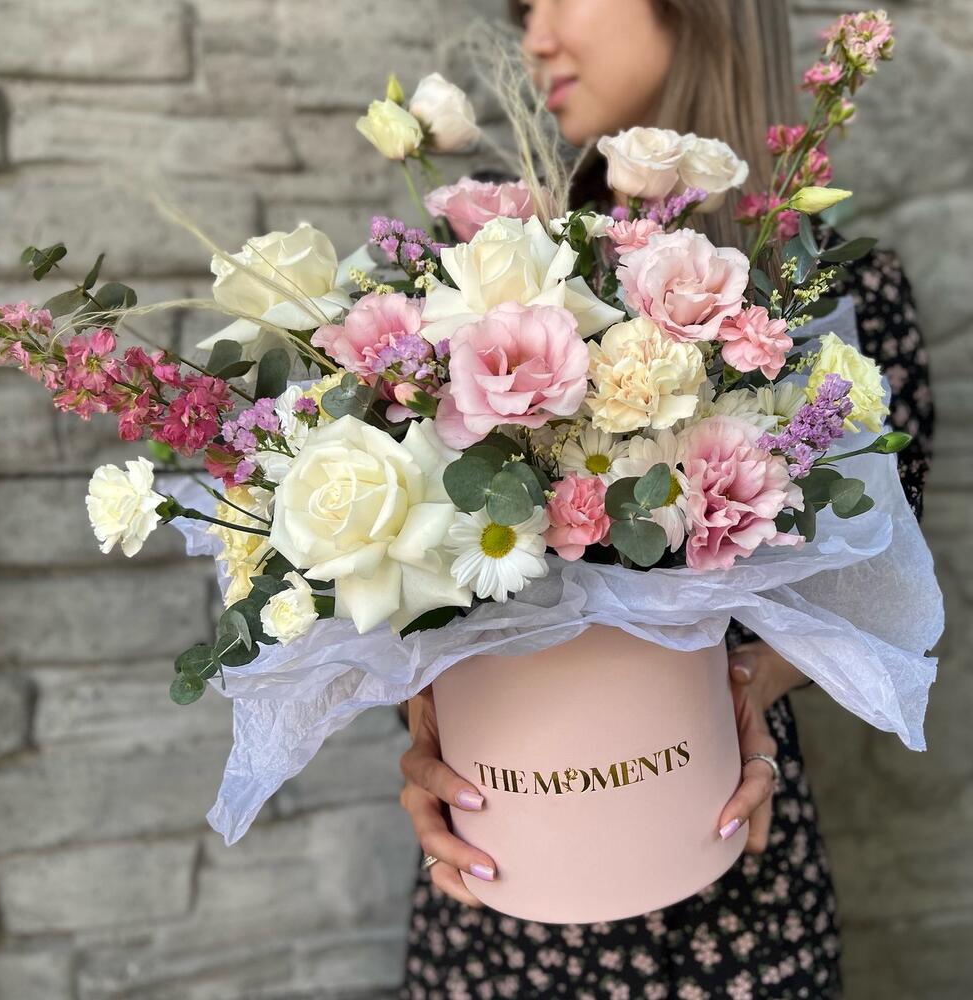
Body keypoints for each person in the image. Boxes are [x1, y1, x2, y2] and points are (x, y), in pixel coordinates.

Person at [397, 2, 934, 996]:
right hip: (494, 897)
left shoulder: (836, 303)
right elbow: (422, 575)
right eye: (522, 10)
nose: (534, 39)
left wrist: (754, 681)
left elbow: (867, 582)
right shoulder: (487, 282)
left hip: (729, 897)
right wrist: (425, 720)